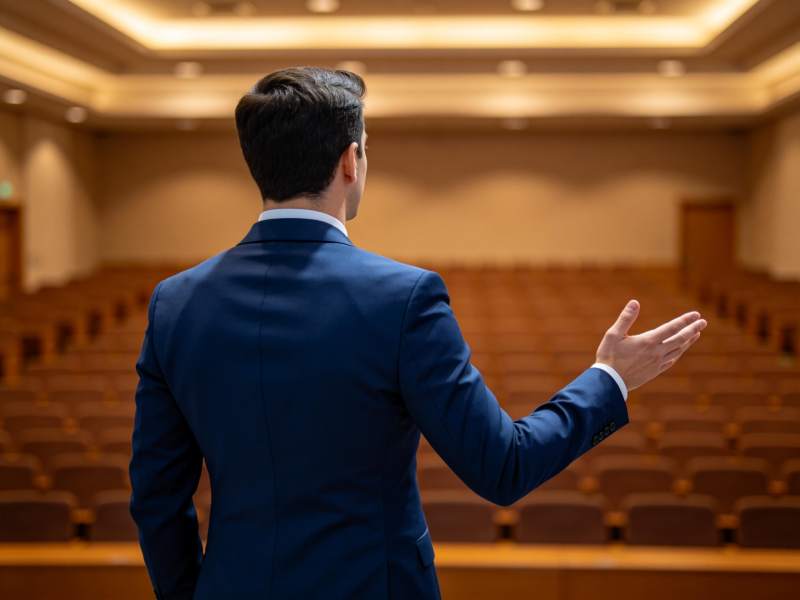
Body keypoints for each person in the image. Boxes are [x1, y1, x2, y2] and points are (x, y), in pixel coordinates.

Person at [129, 66, 707, 600]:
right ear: (350, 161)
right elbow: (503, 467)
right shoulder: (403, 297)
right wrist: (609, 379)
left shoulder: (175, 303)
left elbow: (157, 499)